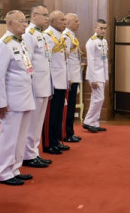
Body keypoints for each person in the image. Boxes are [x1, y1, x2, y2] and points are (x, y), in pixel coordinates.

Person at [0, 10, 38, 184]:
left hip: (25, 97)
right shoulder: (4, 44)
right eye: (21, 21)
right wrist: (0, 102)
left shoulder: (20, 42)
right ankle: (4, 172)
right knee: (9, 138)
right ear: (10, 23)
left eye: (25, 21)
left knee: (20, 137)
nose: (25, 24)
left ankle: (15, 168)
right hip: (11, 101)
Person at [23, 5, 57, 159]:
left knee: (38, 123)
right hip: (35, 85)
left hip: (44, 85)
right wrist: (30, 86)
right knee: (32, 122)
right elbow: (28, 61)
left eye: (47, 15)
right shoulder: (29, 34)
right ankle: (28, 154)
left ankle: (33, 152)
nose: (47, 18)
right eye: (44, 15)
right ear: (34, 15)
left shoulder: (41, 34)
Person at [45, 11, 70, 151]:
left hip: (61, 80)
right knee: (51, 115)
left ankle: (56, 140)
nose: (65, 22)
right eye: (62, 20)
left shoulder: (61, 36)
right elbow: (46, 61)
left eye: (65, 20)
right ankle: (49, 143)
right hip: (53, 81)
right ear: (53, 21)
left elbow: (64, 60)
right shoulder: (47, 36)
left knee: (59, 113)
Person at [83, 19, 109, 133]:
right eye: (101, 28)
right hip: (95, 75)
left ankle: (95, 122)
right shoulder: (91, 42)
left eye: (105, 28)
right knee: (99, 98)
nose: (103, 30)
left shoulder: (104, 41)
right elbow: (91, 61)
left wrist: (106, 77)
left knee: (98, 99)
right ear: (96, 28)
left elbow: (105, 61)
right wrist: (93, 79)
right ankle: (88, 121)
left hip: (102, 75)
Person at [62, 13, 82, 143]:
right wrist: (67, 77)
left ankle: (70, 132)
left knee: (72, 106)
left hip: (75, 76)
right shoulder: (66, 37)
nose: (78, 23)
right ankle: (67, 133)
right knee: (69, 107)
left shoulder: (72, 36)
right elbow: (65, 59)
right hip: (70, 78)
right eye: (76, 21)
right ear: (68, 23)